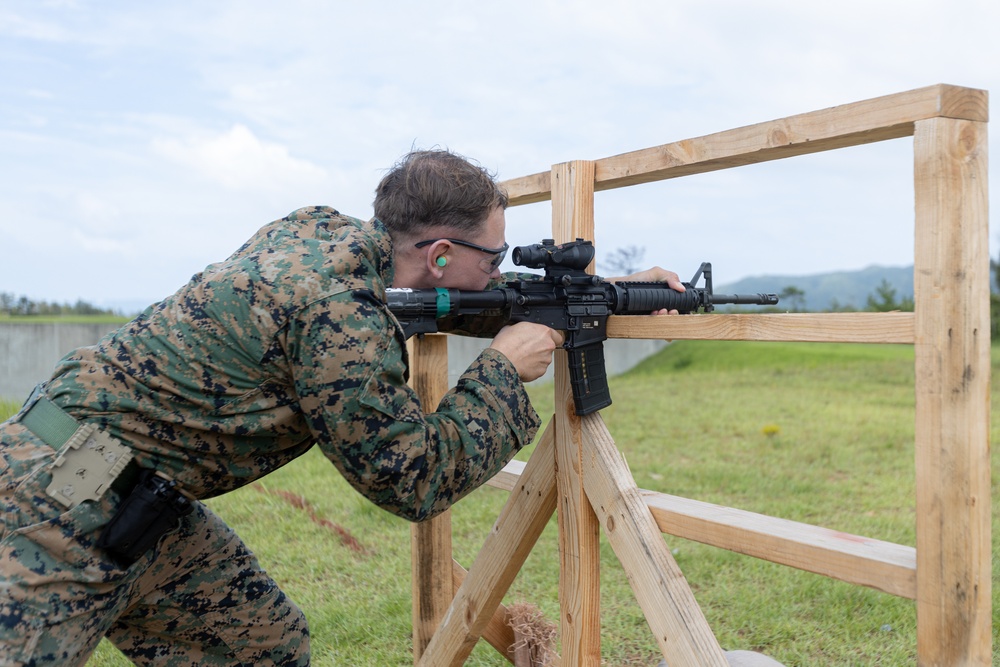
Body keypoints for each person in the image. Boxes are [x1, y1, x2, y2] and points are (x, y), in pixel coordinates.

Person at [0, 149, 683, 666]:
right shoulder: (337, 317)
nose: (503, 272)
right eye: (496, 256)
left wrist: (609, 292)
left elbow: (445, 302)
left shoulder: (323, 235)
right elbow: (413, 477)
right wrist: (503, 372)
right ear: (441, 253)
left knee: (260, 644)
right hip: (52, 505)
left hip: (125, 491)